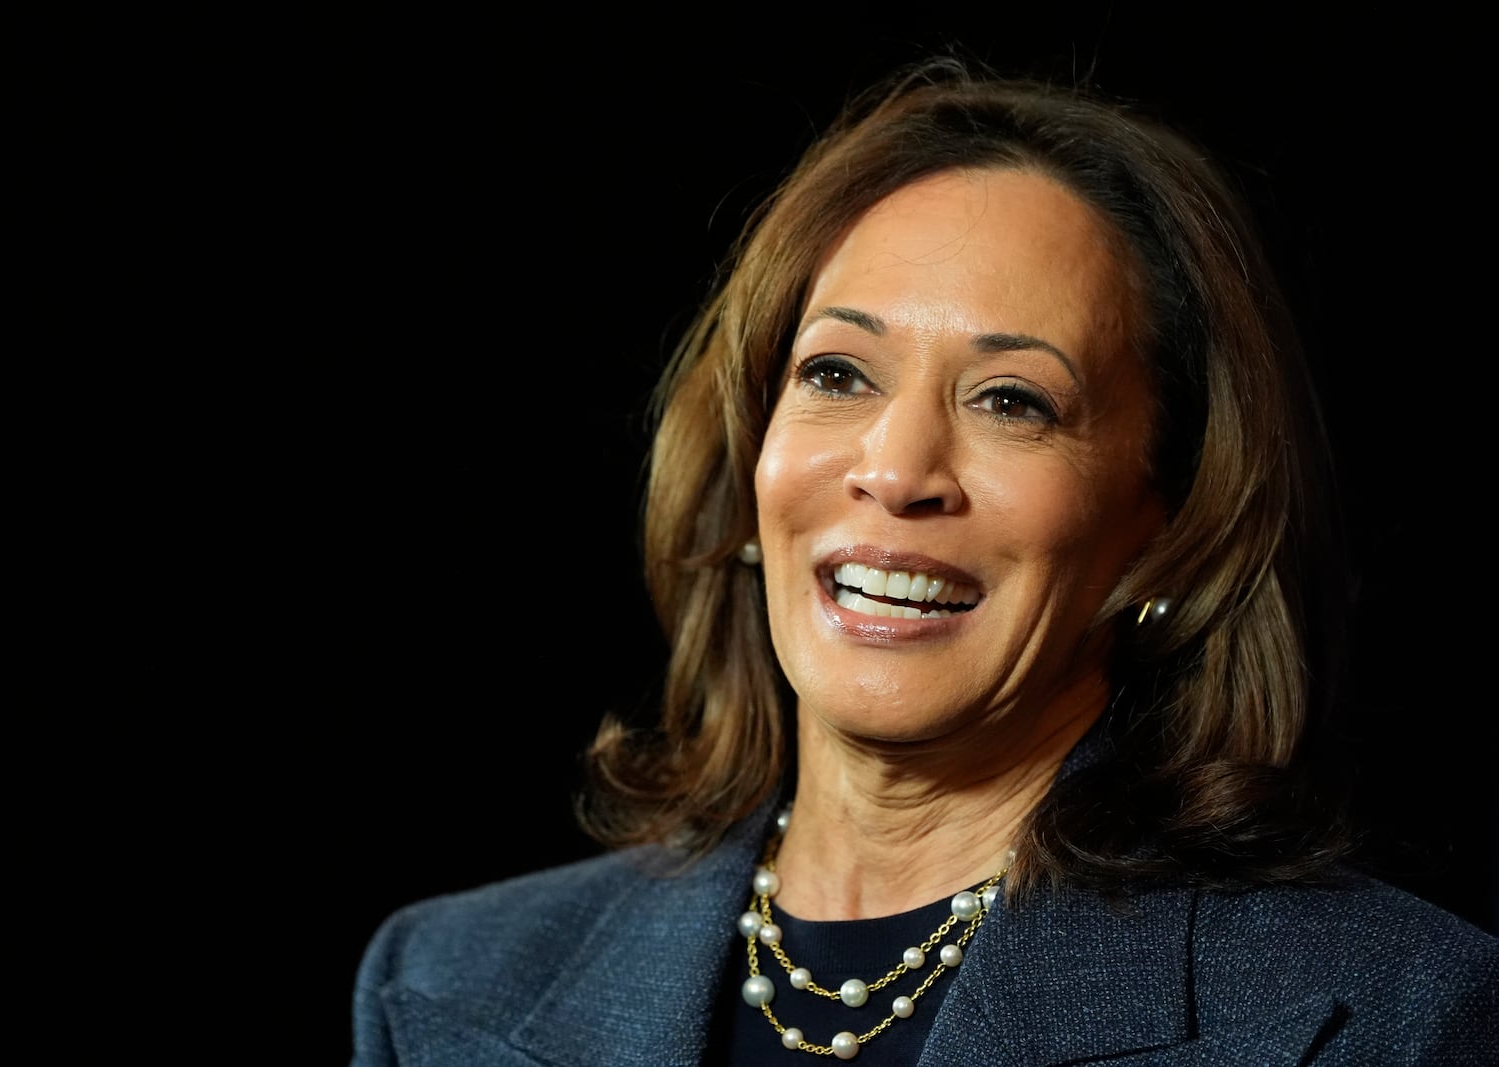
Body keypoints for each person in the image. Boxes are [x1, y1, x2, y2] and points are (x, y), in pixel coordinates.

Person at [350, 55, 1498, 1065]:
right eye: (838, 373)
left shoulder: (1390, 1010)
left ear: (1166, 525)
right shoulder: (448, 982)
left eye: (1013, 400)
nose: (897, 470)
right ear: (752, 461)